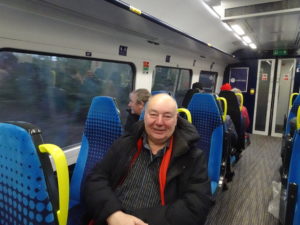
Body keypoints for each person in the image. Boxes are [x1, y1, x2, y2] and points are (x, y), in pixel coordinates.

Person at [84, 93, 213, 225]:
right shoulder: (125, 143)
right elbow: (96, 178)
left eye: (167, 116)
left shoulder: (192, 157)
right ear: (144, 116)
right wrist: (113, 214)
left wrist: (137, 220)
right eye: (153, 114)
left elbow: (196, 206)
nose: (159, 122)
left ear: (176, 120)